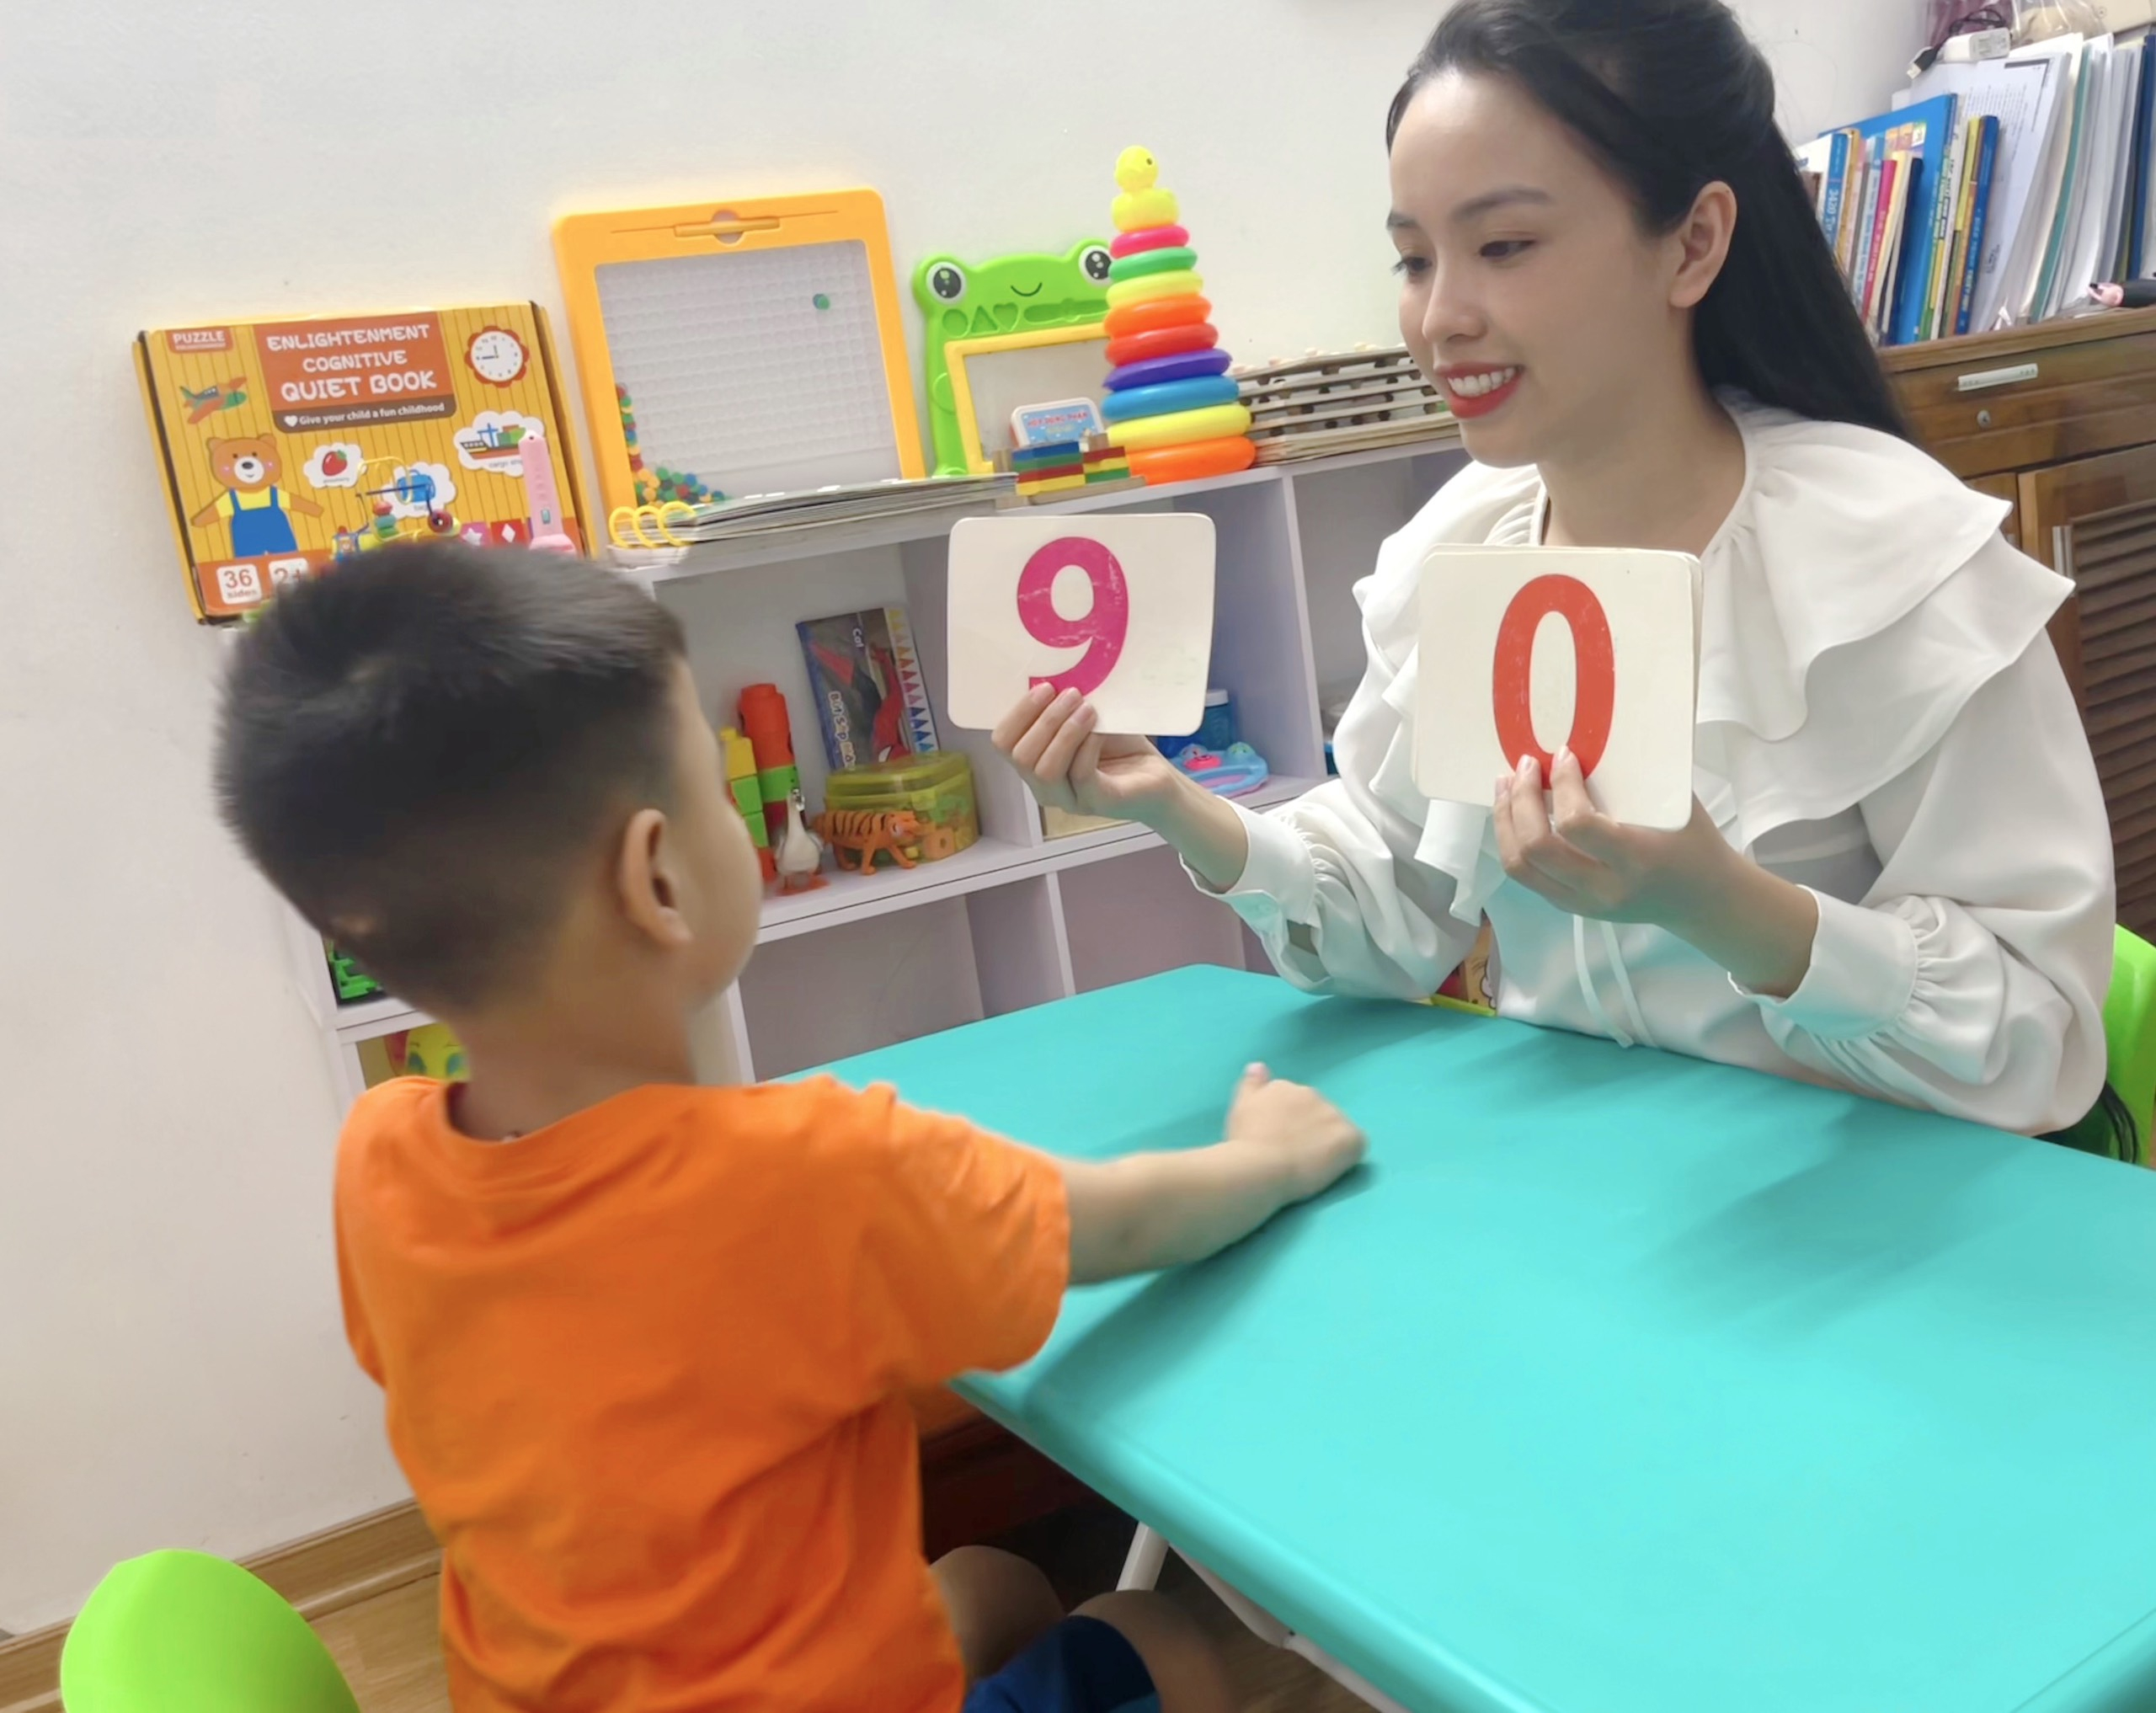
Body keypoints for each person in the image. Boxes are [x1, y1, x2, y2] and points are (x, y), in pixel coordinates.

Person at [213, 542, 1367, 1713]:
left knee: (990, 1582)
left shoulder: (380, 1156)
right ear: (657, 881)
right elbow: (1120, 1226)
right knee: (1158, 1635)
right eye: (719, 792)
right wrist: (1266, 1156)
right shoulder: (810, 1176)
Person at [999, 0, 2123, 1148]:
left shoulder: (1896, 555)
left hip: (1877, 1203)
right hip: (1579, 1192)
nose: (1441, 317)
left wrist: (1724, 903)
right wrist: (1177, 805)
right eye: (1414, 258)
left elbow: (2039, 1033)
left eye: (1505, 246)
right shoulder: (1455, 555)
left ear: (1692, 244)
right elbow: (1393, 910)